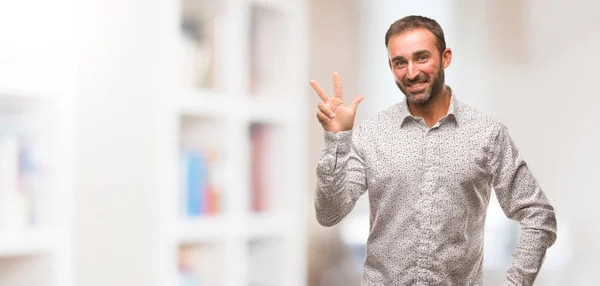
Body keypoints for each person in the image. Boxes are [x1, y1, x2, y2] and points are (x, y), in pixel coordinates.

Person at [309, 15, 557, 285]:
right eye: (400, 62)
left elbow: (538, 215)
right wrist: (337, 140)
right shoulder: (372, 133)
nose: (411, 72)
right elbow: (329, 214)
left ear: (446, 57)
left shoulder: (487, 134)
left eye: (422, 57)